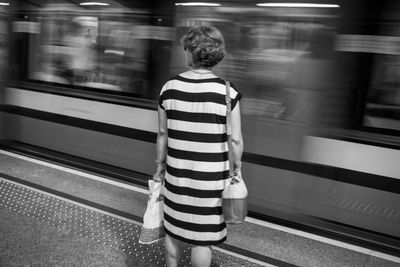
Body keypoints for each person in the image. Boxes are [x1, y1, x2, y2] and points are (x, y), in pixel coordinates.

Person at [154, 26, 244, 267]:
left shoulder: (169, 88)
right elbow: (235, 140)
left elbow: (163, 134)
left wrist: (160, 166)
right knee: (202, 241)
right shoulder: (227, 92)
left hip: (177, 177)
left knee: (173, 233)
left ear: (191, 53)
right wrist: (237, 168)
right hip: (211, 182)